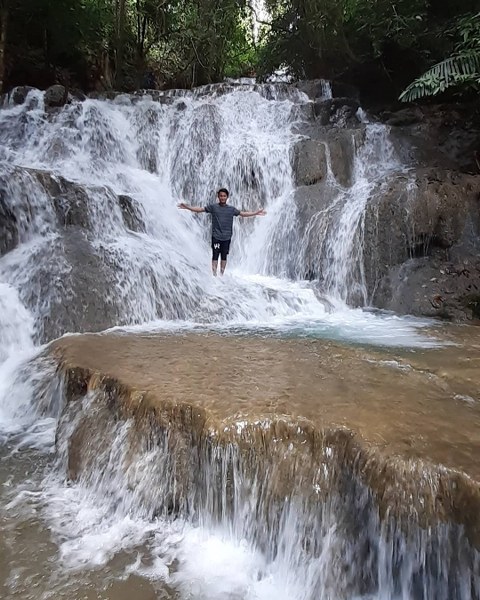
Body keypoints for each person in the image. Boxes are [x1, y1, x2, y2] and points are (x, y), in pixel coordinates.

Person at [178, 188, 266, 275]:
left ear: (227, 197)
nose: (222, 197)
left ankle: (221, 274)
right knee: (215, 255)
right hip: (216, 236)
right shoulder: (213, 207)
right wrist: (187, 207)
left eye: (224, 196)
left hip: (227, 237)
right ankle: (214, 274)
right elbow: (200, 209)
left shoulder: (232, 209)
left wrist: (256, 213)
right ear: (218, 197)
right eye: (221, 196)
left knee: (224, 256)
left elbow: (243, 214)